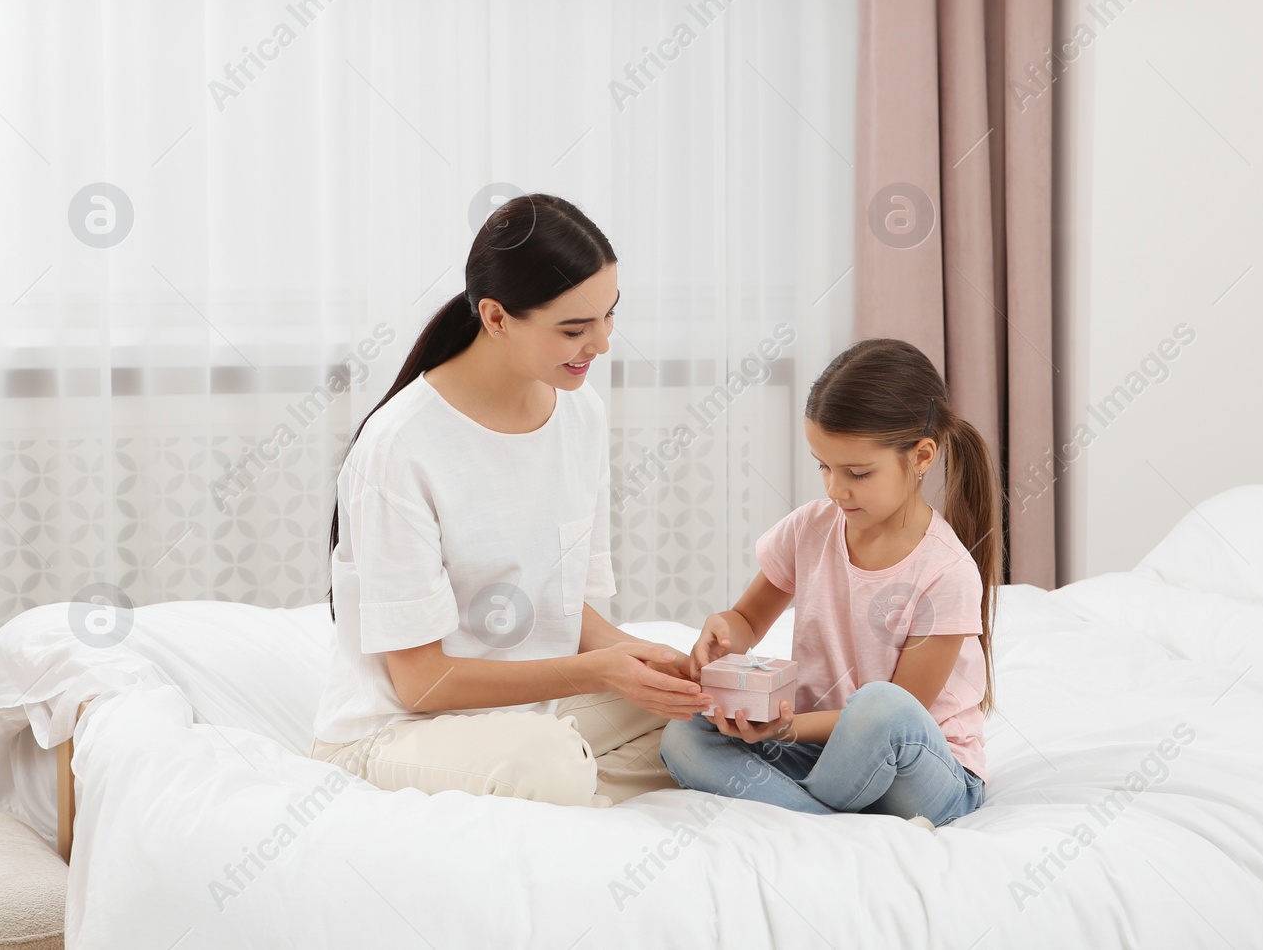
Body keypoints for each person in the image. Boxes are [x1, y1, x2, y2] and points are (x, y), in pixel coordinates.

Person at [310, 193, 715, 808]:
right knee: (549, 765)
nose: (602, 344)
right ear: (496, 318)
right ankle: (565, 779)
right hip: (399, 732)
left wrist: (643, 657)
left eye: (609, 315)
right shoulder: (401, 447)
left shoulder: (580, 412)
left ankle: (571, 779)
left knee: (706, 713)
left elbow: (562, 608)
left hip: (528, 713)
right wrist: (597, 674)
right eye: (575, 329)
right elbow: (422, 683)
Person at [659, 338, 1001, 826]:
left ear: (922, 457)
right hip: (818, 752)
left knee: (880, 706)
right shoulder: (809, 529)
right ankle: (825, 818)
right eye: (824, 466)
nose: (835, 489)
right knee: (685, 736)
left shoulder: (946, 572)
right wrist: (723, 634)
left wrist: (784, 728)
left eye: (857, 473)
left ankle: (809, 817)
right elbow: (748, 619)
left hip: (923, 772)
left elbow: (902, 716)